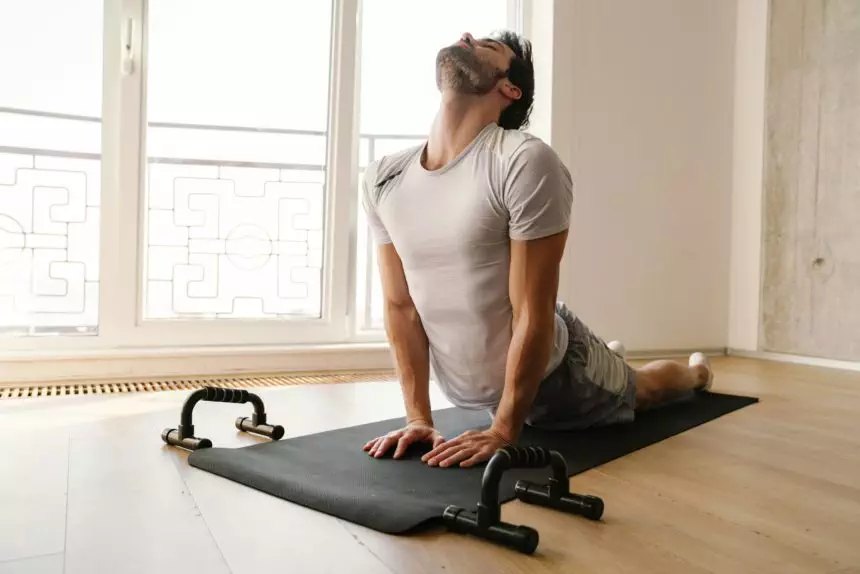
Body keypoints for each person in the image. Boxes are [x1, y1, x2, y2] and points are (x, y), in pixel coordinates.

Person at [360, 30, 713, 469]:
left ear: (508, 89)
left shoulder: (523, 161)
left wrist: (504, 430)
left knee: (643, 390)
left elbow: (532, 310)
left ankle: (696, 373)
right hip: (493, 380)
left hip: (557, 376)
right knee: (600, 358)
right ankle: (610, 355)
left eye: (488, 46)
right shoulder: (383, 178)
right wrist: (419, 418)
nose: (468, 36)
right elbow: (400, 306)